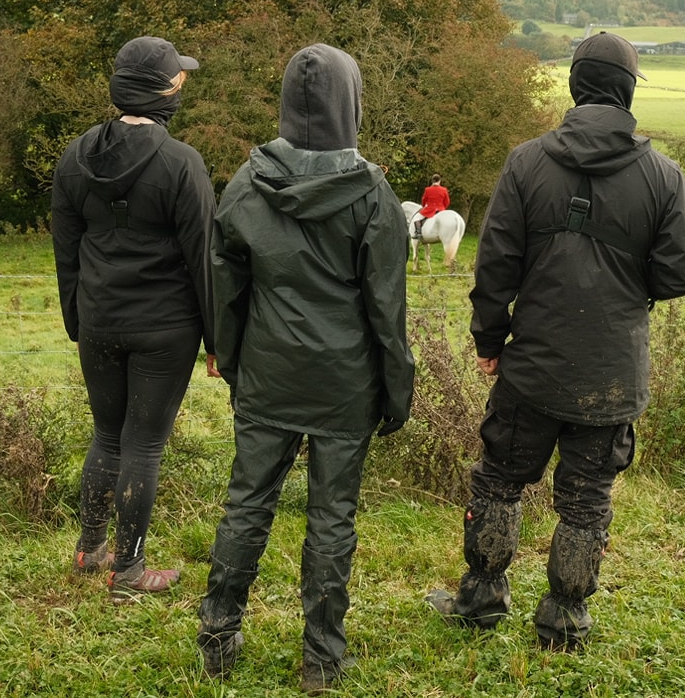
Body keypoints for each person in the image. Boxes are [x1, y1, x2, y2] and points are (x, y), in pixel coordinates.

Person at [427, 31, 685, 649]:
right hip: (612, 374)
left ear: (576, 87)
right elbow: (684, 271)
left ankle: (480, 602)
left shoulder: (527, 163)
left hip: (533, 365)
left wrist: (489, 340)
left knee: (500, 478)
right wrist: (636, 288)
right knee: (586, 500)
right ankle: (563, 621)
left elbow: (494, 263)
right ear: (629, 92)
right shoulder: (663, 177)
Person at [197, 44, 415, 693]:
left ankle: (217, 632)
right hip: (346, 383)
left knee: (248, 501)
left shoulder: (245, 183)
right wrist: (395, 392)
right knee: (332, 516)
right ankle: (322, 658)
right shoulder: (373, 195)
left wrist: (232, 365)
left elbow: (224, 289)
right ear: (352, 102)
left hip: (267, 371)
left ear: (287, 98)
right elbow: (387, 310)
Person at [51, 36, 217, 604]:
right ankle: (129, 570)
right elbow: (203, 259)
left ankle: (90, 548)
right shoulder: (181, 163)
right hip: (165, 330)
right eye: (180, 77)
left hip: (98, 320)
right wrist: (219, 341)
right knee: (143, 445)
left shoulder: (75, 157)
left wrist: (78, 320)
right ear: (166, 89)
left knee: (106, 436)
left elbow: (65, 251)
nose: (184, 83)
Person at [413, 173, 450, 238]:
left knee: (417, 218)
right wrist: (443, 208)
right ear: (439, 181)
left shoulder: (428, 190)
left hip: (430, 210)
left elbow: (424, 200)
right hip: (441, 210)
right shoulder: (444, 190)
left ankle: (418, 233)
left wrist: (424, 206)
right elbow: (447, 202)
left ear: (432, 181)